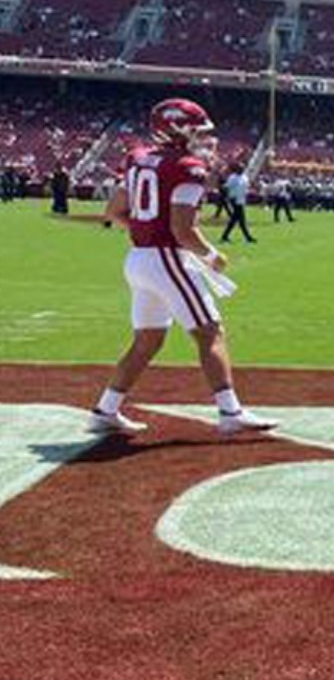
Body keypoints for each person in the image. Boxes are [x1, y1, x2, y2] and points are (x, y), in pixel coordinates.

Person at [86, 99, 276, 438]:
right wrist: (211, 254)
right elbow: (182, 230)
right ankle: (230, 411)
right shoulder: (187, 166)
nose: (205, 140)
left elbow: (114, 211)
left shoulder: (136, 159)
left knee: (147, 339)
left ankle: (106, 409)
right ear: (176, 129)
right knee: (209, 331)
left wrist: (145, 227)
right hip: (168, 258)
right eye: (198, 132)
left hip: (139, 259)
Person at [219, 163, 256, 243]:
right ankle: (248, 237)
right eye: (240, 168)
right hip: (235, 200)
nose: (242, 169)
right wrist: (227, 196)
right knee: (241, 219)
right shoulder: (233, 177)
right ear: (237, 169)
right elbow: (227, 187)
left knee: (234, 220)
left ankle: (225, 236)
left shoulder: (245, 177)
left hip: (241, 199)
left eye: (242, 168)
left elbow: (246, 187)